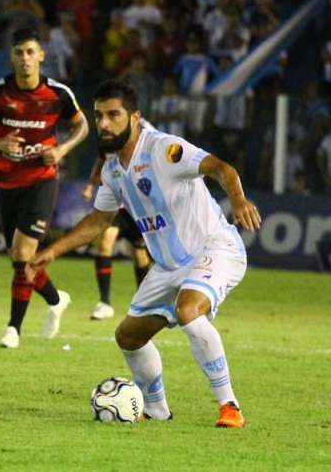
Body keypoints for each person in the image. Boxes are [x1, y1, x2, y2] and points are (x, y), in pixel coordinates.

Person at [28, 79, 260, 428]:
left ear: (134, 117)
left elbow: (219, 167)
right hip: (167, 268)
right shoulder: (112, 170)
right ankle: (157, 409)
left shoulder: (165, 150)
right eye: (99, 116)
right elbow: (98, 220)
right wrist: (53, 250)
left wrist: (238, 198)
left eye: (113, 115)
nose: (104, 124)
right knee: (128, 336)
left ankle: (230, 405)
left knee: (188, 311)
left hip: (214, 248)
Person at [0, 27, 89, 349]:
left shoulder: (57, 94)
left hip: (41, 179)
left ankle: (13, 329)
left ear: (41, 56)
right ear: (12, 56)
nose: (25, 59)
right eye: (19, 52)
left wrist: (61, 151)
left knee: (24, 253)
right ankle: (55, 299)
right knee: (20, 260)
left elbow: (82, 125)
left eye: (30, 53)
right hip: (6, 182)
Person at [82, 149, 152, 321]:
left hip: (135, 205)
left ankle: (143, 304)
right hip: (114, 202)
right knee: (105, 243)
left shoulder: (141, 140)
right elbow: (101, 160)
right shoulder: (107, 140)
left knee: (139, 253)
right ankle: (104, 303)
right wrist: (91, 184)